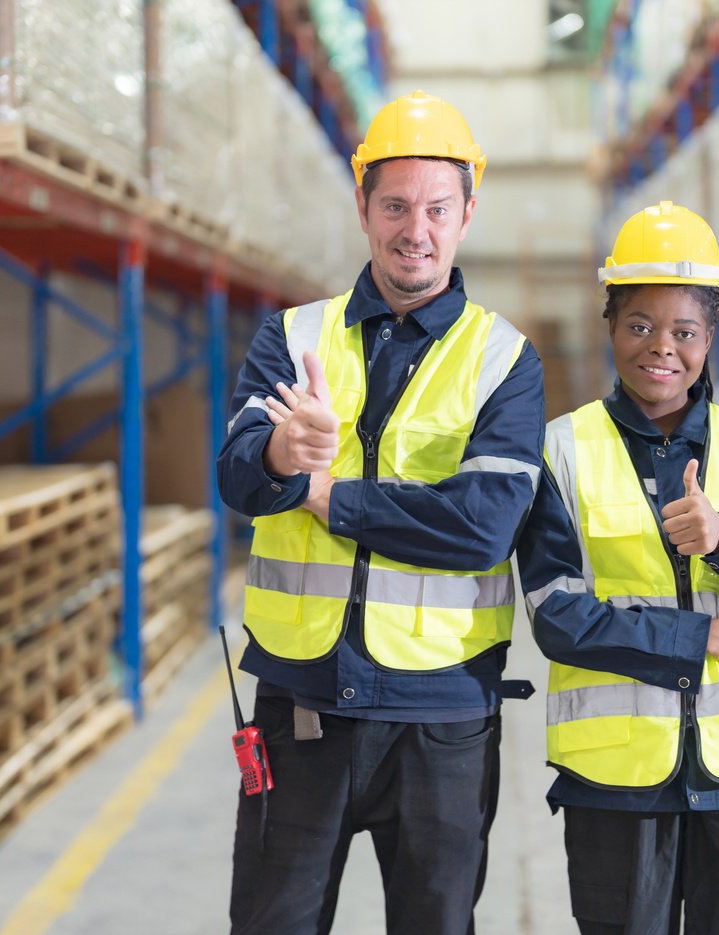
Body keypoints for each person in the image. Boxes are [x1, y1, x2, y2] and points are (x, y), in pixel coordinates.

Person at [216, 89, 545, 935]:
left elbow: (482, 526)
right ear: (363, 207)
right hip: (302, 704)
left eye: (437, 208)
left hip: (440, 720)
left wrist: (322, 492)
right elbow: (237, 478)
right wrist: (283, 455)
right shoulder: (291, 338)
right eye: (394, 205)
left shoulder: (504, 360)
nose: (415, 229)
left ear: (467, 212)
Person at [516, 202, 719, 935]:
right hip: (618, 783)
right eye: (640, 326)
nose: (662, 349)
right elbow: (559, 617)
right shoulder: (562, 451)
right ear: (611, 328)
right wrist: (704, 638)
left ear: (709, 337)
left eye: (684, 331)